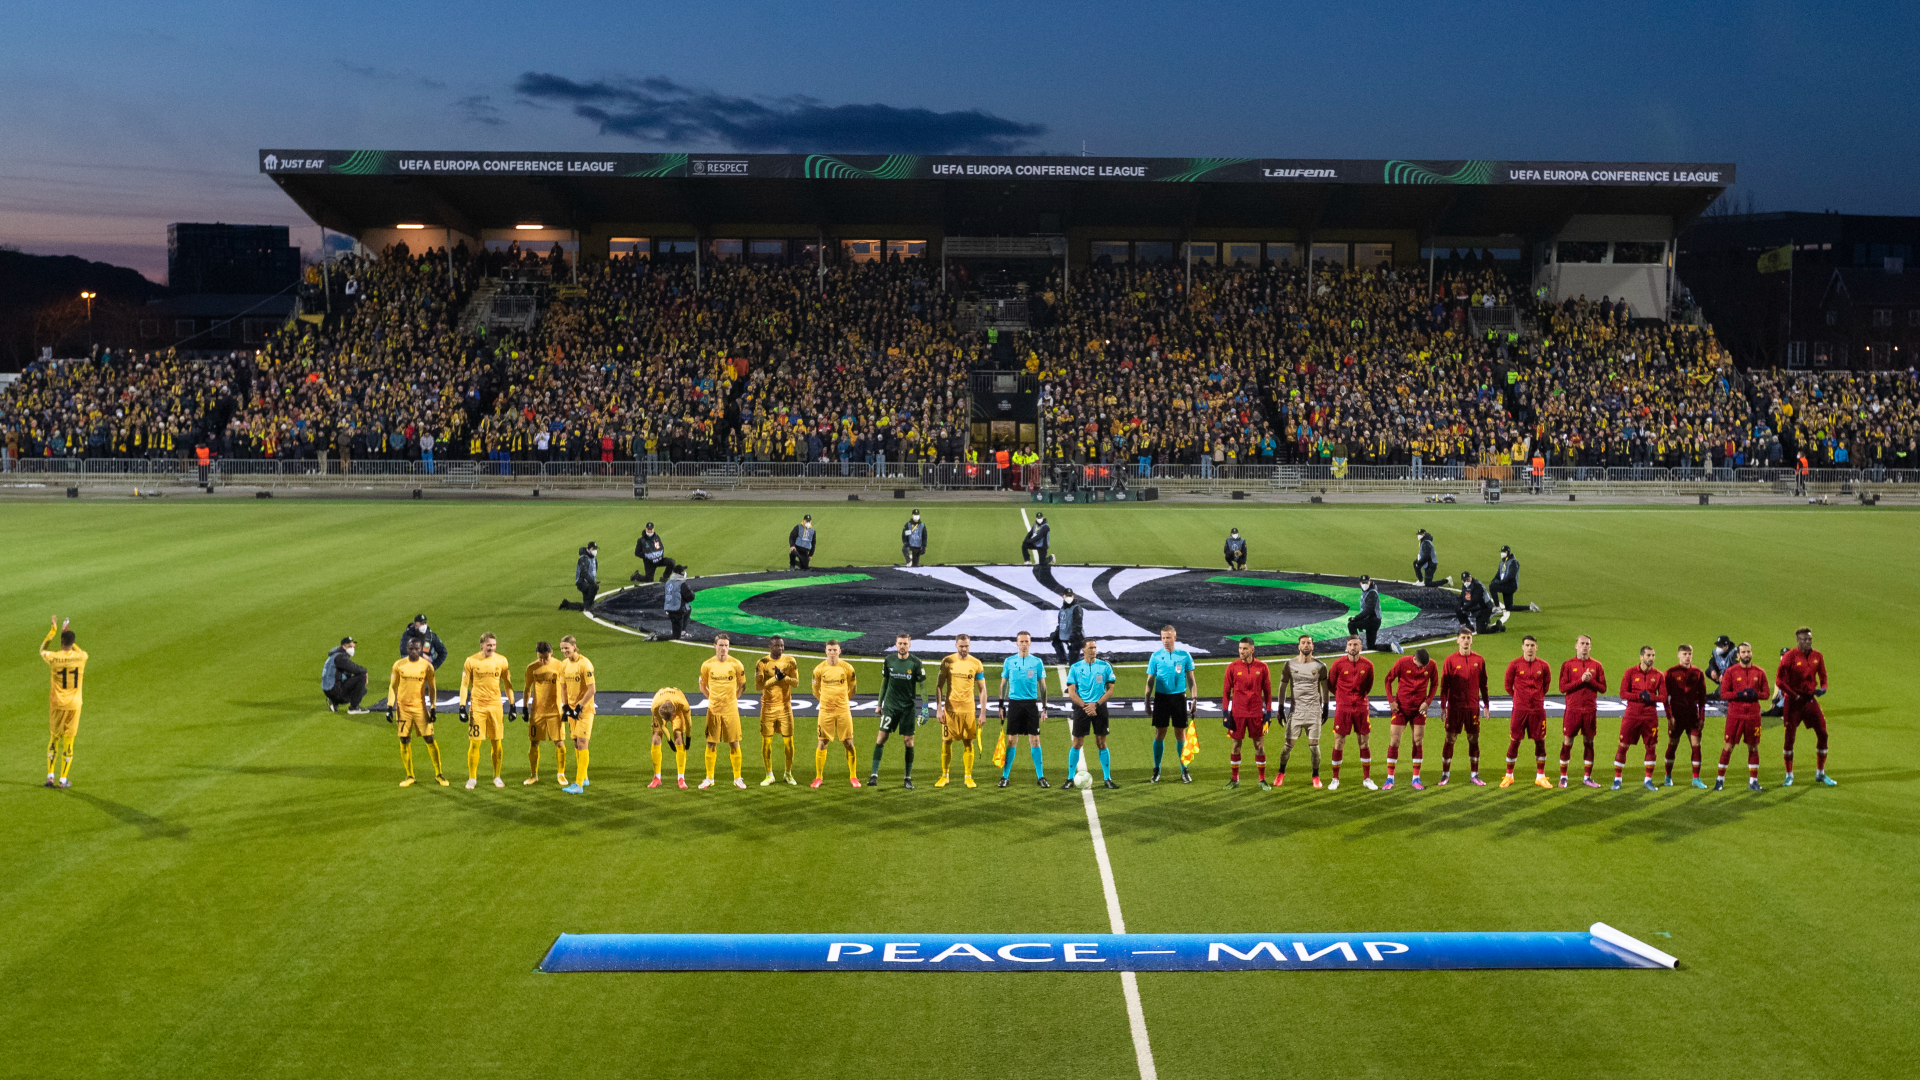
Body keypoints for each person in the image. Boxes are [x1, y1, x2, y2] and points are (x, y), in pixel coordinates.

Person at [1776, 626, 1834, 786]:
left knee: (1823, 733)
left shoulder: (1817, 656)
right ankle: (1789, 775)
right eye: (1804, 639)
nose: (1808, 642)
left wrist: (1823, 688)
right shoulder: (1789, 657)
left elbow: (1823, 675)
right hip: (1793, 702)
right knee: (1789, 738)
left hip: (1809, 700)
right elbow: (1779, 680)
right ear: (1798, 640)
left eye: (1810, 639)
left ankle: (1820, 773)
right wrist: (1793, 694)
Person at [458, 633, 513, 790]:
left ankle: (497, 776)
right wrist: (462, 705)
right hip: (478, 707)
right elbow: (464, 684)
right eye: (489, 645)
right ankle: (472, 777)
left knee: (497, 743)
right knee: (475, 743)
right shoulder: (471, 661)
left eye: (494, 645)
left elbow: (507, 684)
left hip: (495, 706)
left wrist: (512, 705)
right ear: (481, 645)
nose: (492, 648)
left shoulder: (502, 661)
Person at [870, 633, 926, 788]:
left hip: (908, 708)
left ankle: (907, 778)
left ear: (909, 645)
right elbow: (885, 682)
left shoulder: (915, 663)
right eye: (900, 643)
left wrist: (925, 707)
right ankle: (873, 775)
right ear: (896, 644)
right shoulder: (889, 661)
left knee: (908, 742)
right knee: (881, 738)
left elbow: (922, 685)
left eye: (905, 643)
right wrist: (879, 704)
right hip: (890, 707)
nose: (902, 646)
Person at [388, 637, 445, 787]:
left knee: (429, 739)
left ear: (421, 649)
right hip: (403, 709)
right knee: (404, 740)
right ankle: (409, 775)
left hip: (420, 708)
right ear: (407, 648)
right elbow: (392, 686)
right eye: (411, 648)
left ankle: (439, 774)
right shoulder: (399, 665)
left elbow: (432, 688)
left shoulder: (427, 666)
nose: (413, 651)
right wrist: (389, 706)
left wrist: (433, 707)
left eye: (416, 649)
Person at [1145, 624, 1198, 783]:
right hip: (1161, 698)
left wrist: (1194, 699)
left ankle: (1184, 770)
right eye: (1163, 638)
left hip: (1179, 698)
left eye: (1168, 637)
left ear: (1175, 637)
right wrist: (1147, 701)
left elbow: (1191, 680)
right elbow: (1150, 681)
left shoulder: (1184, 655)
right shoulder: (1155, 656)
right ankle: (1156, 769)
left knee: (1180, 734)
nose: (1165, 641)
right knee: (1159, 733)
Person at [996, 631, 1049, 788]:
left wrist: (1044, 707)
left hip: (1031, 704)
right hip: (1014, 704)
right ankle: (1005, 776)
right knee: (1011, 740)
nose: (1024, 644)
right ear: (1017, 643)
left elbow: (1043, 687)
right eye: (1021, 641)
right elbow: (1003, 684)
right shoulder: (1009, 661)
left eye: (1027, 641)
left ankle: (1040, 777)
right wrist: (1001, 705)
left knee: (1035, 740)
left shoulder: (1037, 662)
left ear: (1030, 643)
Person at [1437, 629, 1489, 786]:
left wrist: (1486, 705)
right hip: (1454, 707)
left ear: (1472, 640)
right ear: (1457, 640)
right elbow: (1444, 686)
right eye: (1463, 638)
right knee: (1450, 738)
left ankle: (1475, 774)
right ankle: (1445, 774)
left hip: (1472, 707)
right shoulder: (1450, 660)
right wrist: (1444, 706)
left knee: (1473, 738)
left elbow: (1483, 685)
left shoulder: (1479, 660)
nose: (1466, 640)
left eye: (1468, 638)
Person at [1275, 634, 1329, 788]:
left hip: (1313, 711)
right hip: (1296, 711)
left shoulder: (1320, 666)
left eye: (1309, 643)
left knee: (1314, 747)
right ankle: (1281, 772)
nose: (1306, 646)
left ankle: (1316, 776)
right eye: (1303, 643)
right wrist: (1280, 707)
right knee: (1287, 747)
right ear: (1299, 646)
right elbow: (1283, 686)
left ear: (1313, 647)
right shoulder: (1290, 664)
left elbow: (1325, 689)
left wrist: (1325, 707)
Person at [39, 617, 86, 789]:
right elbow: (78, 650)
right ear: (73, 643)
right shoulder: (82, 657)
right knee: (69, 741)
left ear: (61, 642)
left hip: (57, 704)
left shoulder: (54, 657)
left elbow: (42, 650)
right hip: (74, 705)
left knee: (54, 738)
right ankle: (63, 780)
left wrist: (52, 632)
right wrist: (68, 636)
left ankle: (50, 777)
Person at [1382, 647, 1438, 789]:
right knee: (1394, 741)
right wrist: (1391, 701)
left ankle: (1416, 778)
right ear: (1414, 658)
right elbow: (1388, 680)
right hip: (1400, 708)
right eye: (1420, 666)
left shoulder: (1432, 664)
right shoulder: (1402, 662)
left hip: (1419, 709)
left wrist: (1427, 702)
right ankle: (1390, 778)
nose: (1422, 669)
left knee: (1418, 740)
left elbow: (1435, 683)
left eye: (1424, 666)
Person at [1501, 635, 1553, 788]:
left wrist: (1536, 698)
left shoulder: (1544, 666)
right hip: (1520, 710)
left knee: (1540, 741)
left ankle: (1541, 776)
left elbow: (1546, 686)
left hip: (1537, 710)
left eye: (1532, 645)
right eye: (1527, 645)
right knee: (1515, 741)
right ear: (1522, 647)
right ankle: (1509, 775)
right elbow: (1507, 685)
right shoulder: (1514, 665)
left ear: (1536, 647)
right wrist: (1519, 698)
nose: (1530, 648)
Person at [935, 634, 987, 788]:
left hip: (968, 710)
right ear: (956, 645)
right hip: (950, 709)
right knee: (946, 742)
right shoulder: (947, 661)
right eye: (961, 646)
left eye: (967, 646)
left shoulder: (976, 664)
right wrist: (939, 708)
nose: (964, 649)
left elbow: (982, 689)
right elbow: (939, 686)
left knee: (968, 742)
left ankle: (968, 776)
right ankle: (945, 775)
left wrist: (983, 712)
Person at [1066, 639, 1119, 789]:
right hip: (1082, 708)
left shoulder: (1104, 666)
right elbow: (1071, 692)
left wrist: (1095, 705)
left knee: (1101, 743)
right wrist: (1085, 706)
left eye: (1095, 647)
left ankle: (1107, 778)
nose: (1093, 650)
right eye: (1090, 648)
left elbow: (1110, 690)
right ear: (1083, 650)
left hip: (1099, 707)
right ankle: (1070, 778)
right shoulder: (1075, 668)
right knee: (1077, 742)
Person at [698, 634, 748, 790]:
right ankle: (709, 778)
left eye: (726, 645)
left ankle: (738, 778)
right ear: (715, 646)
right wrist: (711, 698)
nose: (724, 648)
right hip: (713, 710)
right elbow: (702, 685)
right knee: (711, 743)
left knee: (734, 743)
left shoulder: (736, 665)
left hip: (731, 710)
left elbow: (742, 685)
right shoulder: (707, 665)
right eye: (721, 645)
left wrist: (734, 699)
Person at [1716, 642, 1769, 791]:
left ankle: (1753, 781)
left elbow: (1766, 694)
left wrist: (1756, 695)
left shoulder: (1759, 672)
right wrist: (1738, 695)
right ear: (1738, 655)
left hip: (1753, 716)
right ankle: (1720, 780)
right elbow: (1723, 694)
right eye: (1743, 652)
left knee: (1753, 747)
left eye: (1748, 652)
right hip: (1735, 716)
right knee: (1728, 747)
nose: (1746, 655)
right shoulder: (1731, 672)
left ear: (1751, 653)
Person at [1326, 635, 1377, 791]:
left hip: (1361, 708)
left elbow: (1368, 686)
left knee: (1364, 742)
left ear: (1361, 647)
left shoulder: (1368, 665)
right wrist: (1344, 698)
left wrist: (1358, 699)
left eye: (1356, 644)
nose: (1353, 647)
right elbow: (1331, 685)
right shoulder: (1338, 664)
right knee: (1339, 742)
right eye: (1350, 644)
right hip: (1343, 708)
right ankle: (1335, 779)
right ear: (1346, 647)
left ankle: (1367, 778)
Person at [1220, 637, 1272, 789]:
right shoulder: (1232, 667)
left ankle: (1262, 779)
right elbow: (1225, 692)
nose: (1241, 651)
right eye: (1240, 648)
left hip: (1256, 713)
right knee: (1236, 745)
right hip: (1238, 713)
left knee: (1259, 746)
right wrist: (1225, 713)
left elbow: (1268, 693)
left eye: (1244, 649)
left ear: (1252, 650)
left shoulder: (1262, 667)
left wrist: (1268, 714)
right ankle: (1234, 779)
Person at [810, 640, 862, 788]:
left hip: (843, 710)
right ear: (825, 651)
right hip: (825, 711)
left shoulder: (847, 668)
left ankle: (853, 776)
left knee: (848, 742)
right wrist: (826, 702)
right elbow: (815, 690)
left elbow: (853, 688)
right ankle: (818, 777)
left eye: (835, 650)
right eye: (830, 650)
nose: (832, 653)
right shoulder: (818, 669)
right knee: (822, 742)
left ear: (840, 651)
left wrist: (842, 701)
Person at [1557, 634, 1607, 788]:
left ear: (1590, 647)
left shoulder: (1597, 665)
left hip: (1590, 711)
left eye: (1587, 644)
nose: (1585, 646)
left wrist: (1590, 681)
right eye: (1582, 643)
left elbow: (1603, 688)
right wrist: (1581, 681)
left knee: (1589, 743)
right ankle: (1563, 776)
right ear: (1576, 646)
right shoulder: (1568, 665)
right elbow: (1562, 688)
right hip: (1573, 710)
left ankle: (1587, 777)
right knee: (1568, 742)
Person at [1614, 646, 1666, 791]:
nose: (1651, 658)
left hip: (1650, 716)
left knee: (1651, 747)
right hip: (1632, 715)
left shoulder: (1659, 675)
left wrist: (1651, 698)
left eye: (1653, 655)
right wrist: (1638, 696)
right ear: (1641, 657)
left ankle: (1648, 780)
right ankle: (1617, 779)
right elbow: (1623, 693)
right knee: (1623, 745)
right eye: (1648, 655)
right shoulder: (1630, 672)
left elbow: (1663, 697)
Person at [1663, 644, 1709, 788]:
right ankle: (1667, 776)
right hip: (1676, 716)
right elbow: (1665, 698)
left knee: (1696, 746)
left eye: (1689, 653)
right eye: (1684, 654)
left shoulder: (1698, 673)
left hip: (1692, 716)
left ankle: (1696, 779)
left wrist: (1702, 717)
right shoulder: (1670, 673)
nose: (1687, 656)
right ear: (1678, 655)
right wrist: (1669, 716)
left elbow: (1702, 698)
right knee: (1672, 746)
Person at [755, 636, 800, 785]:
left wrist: (784, 678)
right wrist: (775, 679)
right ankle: (769, 774)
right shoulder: (762, 663)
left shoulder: (790, 661)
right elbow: (759, 686)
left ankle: (788, 773)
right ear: (770, 646)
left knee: (789, 742)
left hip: (785, 708)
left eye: (781, 646)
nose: (779, 648)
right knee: (766, 742)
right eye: (776, 646)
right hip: (767, 708)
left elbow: (796, 683)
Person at [522, 641, 567, 785]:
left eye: (546, 658)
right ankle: (533, 775)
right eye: (540, 658)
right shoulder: (532, 668)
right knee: (534, 742)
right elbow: (527, 688)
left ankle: (561, 774)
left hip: (555, 711)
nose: (543, 661)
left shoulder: (560, 666)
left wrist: (566, 707)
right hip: (538, 712)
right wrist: (524, 707)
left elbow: (565, 687)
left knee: (559, 742)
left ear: (551, 653)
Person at [557, 635, 596, 794]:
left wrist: (579, 706)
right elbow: (564, 687)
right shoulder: (564, 665)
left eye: (567, 648)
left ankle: (578, 784)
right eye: (562, 649)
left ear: (574, 647)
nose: (564, 651)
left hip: (584, 710)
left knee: (582, 743)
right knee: (575, 743)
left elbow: (592, 689)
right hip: (571, 710)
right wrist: (565, 706)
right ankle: (584, 777)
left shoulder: (585, 664)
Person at [648, 685, 692, 789]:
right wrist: (669, 740)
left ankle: (681, 778)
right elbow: (662, 726)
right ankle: (656, 778)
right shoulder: (655, 707)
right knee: (656, 738)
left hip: (676, 704)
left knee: (678, 737)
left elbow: (688, 723)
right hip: (662, 703)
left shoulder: (683, 705)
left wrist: (688, 738)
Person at [322, 636, 370, 713]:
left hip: (329, 689)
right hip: (334, 691)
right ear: (343, 646)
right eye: (350, 646)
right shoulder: (340, 657)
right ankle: (354, 708)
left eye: (353, 646)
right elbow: (354, 669)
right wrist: (365, 671)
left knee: (361, 688)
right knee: (361, 677)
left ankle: (334, 702)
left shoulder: (335, 655)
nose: (352, 648)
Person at [1049, 589, 1085, 665]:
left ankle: (1077, 659)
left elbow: (1078, 625)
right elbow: (1061, 623)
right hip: (1065, 634)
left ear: (1073, 596)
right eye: (1067, 596)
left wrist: (1072, 639)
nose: (1068, 597)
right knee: (1055, 639)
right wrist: (1055, 634)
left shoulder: (1076, 608)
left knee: (1073, 663)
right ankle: (1063, 659)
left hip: (1075, 637)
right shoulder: (1062, 609)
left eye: (1070, 596)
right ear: (1063, 596)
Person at [1348, 575, 1382, 651]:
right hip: (1373, 620)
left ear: (1369, 582)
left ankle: (1355, 645)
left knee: (1351, 624)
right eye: (1363, 583)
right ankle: (1390, 647)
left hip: (1373, 621)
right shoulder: (1368, 591)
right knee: (1371, 646)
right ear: (1360, 583)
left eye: (1366, 582)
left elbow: (1369, 610)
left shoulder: (1372, 593)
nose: (1364, 584)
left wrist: (1356, 618)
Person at [662, 565, 696, 639]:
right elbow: (691, 597)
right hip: (678, 610)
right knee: (676, 636)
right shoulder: (682, 584)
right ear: (681, 573)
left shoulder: (668, 582)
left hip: (668, 608)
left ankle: (680, 631)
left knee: (688, 608)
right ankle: (657, 638)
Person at [564, 543, 599, 611]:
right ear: (589, 549)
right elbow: (584, 573)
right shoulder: (583, 559)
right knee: (594, 587)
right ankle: (588, 607)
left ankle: (567, 604)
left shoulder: (594, 559)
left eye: (595, 549)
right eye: (593, 549)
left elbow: (594, 571)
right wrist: (592, 583)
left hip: (587, 582)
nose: (595, 550)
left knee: (585, 603)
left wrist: (593, 581)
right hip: (581, 582)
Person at [1491, 546, 1519, 610]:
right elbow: (1498, 575)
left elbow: (1511, 576)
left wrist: (1500, 583)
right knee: (1509, 607)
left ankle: (1497, 607)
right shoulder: (1502, 563)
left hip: (1510, 586)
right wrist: (1494, 580)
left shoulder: (1513, 562)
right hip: (1505, 585)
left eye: (1503, 552)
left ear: (1507, 552)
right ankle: (1530, 607)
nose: (1501, 553)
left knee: (1492, 587)